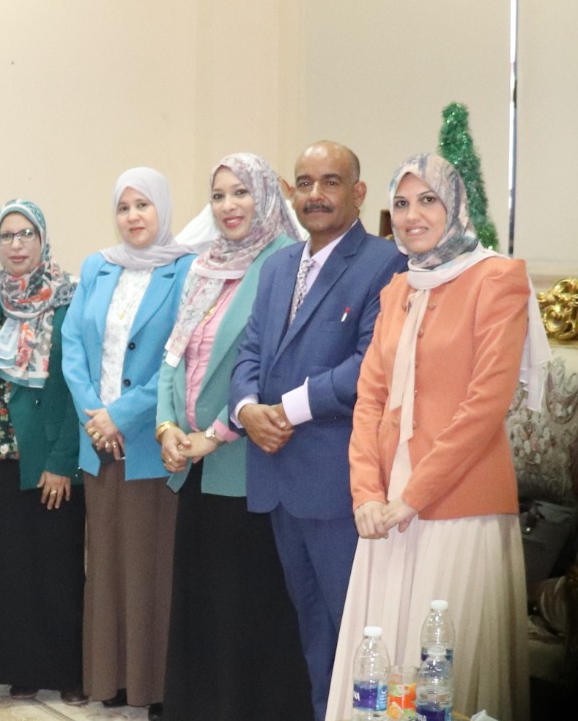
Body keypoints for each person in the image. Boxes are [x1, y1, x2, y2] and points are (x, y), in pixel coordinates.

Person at [326, 153, 545, 721]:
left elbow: (485, 405)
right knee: (379, 667)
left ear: (456, 206)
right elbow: (370, 399)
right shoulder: (398, 287)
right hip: (386, 511)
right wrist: (366, 494)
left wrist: (412, 497)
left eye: (428, 200)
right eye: (401, 203)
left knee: (441, 680)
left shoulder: (497, 278)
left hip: (459, 506)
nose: (412, 215)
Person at [228, 142, 406, 721]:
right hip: (279, 476)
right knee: (312, 630)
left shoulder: (386, 263)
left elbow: (371, 363)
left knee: (355, 627)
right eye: (304, 183)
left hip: (338, 483)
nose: (315, 194)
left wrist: (285, 410)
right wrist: (246, 408)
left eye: (331, 181)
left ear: (358, 192)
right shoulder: (278, 265)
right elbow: (251, 348)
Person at [156, 153, 312, 721]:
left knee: (244, 602)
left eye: (241, 192)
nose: (229, 206)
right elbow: (173, 356)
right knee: (201, 600)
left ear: (267, 196)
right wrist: (167, 426)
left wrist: (214, 434)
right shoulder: (203, 267)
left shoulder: (286, 264)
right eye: (219, 195)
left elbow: (273, 368)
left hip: (245, 461)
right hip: (192, 462)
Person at [60, 169, 194, 719]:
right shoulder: (98, 266)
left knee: (149, 566)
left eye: (143, 205)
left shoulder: (187, 270)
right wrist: (95, 415)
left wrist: (120, 415)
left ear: (162, 208)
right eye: (124, 206)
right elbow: (72, 343)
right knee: (106, 564)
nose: (133, 216)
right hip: (99, 443)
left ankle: (151, 685)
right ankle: (109, 678)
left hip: (149, 442)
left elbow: (179, 356)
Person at [0, 200, 85, 702]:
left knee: (58, 568)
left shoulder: (68, 298)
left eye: (26, 234)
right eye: (6, 236)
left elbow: (77, 384)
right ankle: (21, 667)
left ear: (43, 240)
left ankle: (69, 671)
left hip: (49, 455)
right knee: (9, 568)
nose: (15, 245)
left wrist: (62, 461)